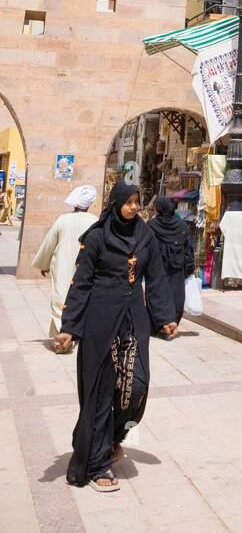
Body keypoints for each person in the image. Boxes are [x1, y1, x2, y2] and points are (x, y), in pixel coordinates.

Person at [53, 179, 177, 492]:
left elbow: (157, 278)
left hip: (133, 321)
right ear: (116, 202)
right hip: (99, 322)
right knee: (100, 393)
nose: (135, 207)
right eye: (130, 201)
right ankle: (97, 464)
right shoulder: (96, 237)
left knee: (136, 386)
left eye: (138, 201)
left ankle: (112, 438)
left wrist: (165, 318)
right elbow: (81, 283)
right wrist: (69, 327)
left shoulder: (146, 235)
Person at [31, 185, 99, 342]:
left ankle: (62, 335)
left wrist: (44, 264)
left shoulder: (63, 220)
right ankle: (73, 334)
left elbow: (50, 242)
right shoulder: (95, 221)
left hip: (63, 264)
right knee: (82, 298)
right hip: (86, 267)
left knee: (61, 298)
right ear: (89, 204)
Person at [149, 195, 195, 329]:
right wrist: (188, 269)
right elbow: (188, 250)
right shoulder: (182, 226)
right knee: (176, 294)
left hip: (156, 268)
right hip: (177, 268)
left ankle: (158, 325)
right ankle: (172, 323)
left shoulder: (151, 225)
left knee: (157, 293)